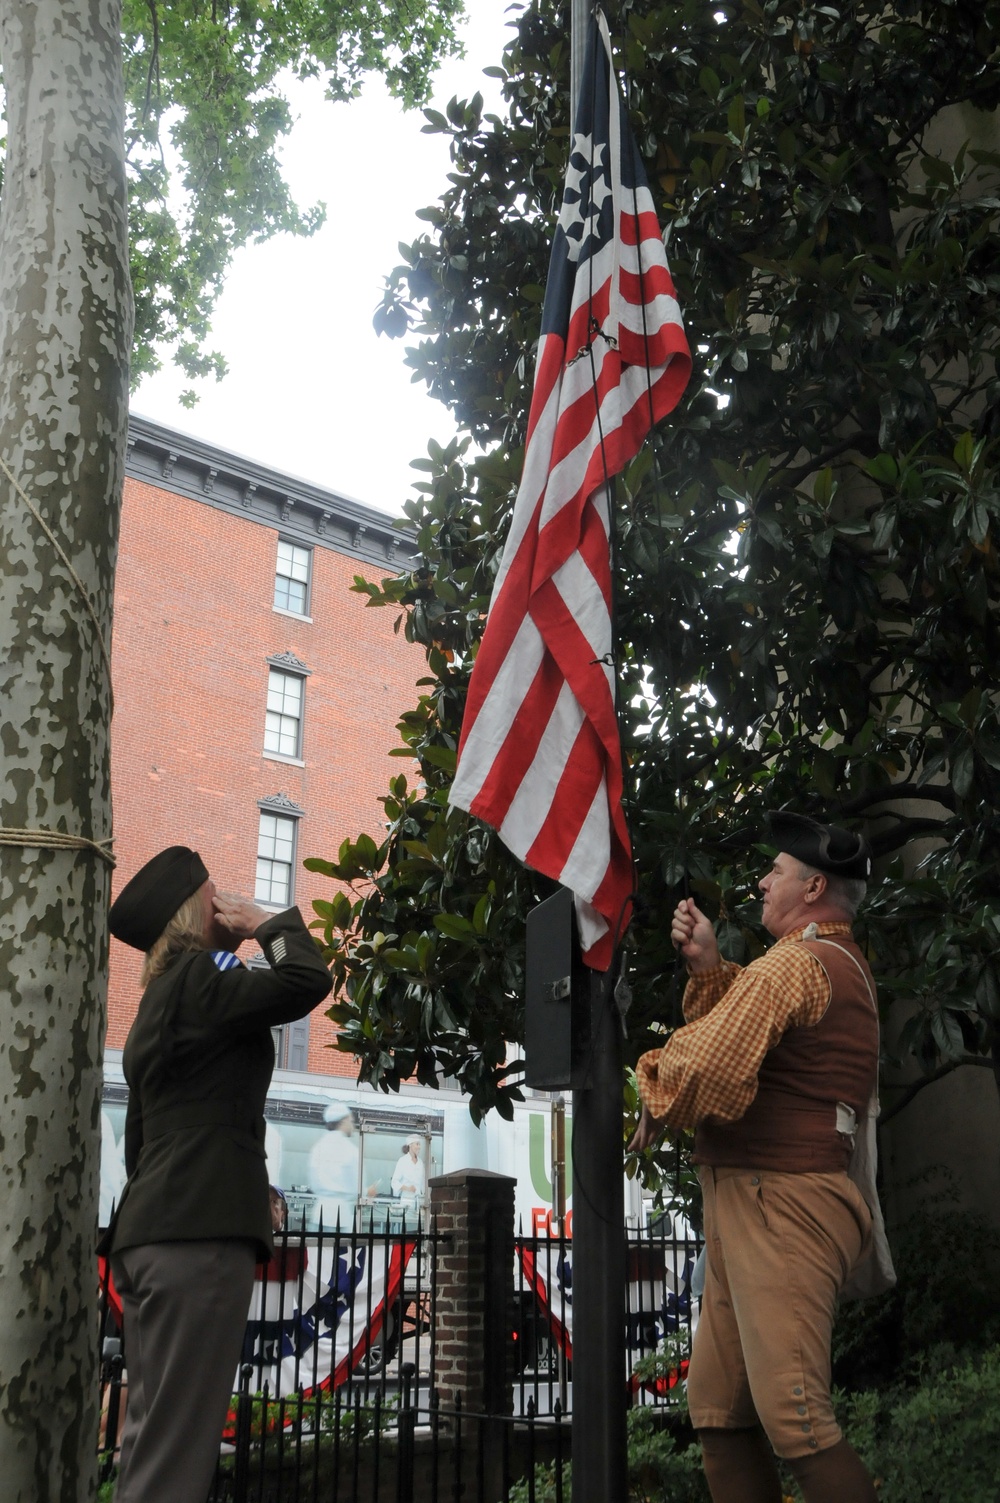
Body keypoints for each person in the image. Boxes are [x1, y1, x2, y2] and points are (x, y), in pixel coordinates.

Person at [629, 811, 890, 1503]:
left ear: (813, 886)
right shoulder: (816, 964)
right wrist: (710, 970)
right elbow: (740, 1041)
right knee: (719, 1412)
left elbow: (711, 1063)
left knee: (797, 1419)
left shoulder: (799, 964)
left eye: (774, 870)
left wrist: (654, 1083)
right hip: (756, 1201)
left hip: (783, 1201)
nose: (761, 880)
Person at [103, 845, 332, 1503]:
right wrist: (269, 923)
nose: (226, 896)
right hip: (197, 1236)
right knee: (177, 1456)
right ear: (196, 910)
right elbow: (304, 981)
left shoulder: (155, 1003)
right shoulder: (201, 978)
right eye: (215, 891)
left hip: (149, 1233)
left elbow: (138, 1142)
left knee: (149, 1443)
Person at [308, 1100, 360, 1230]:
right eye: (351, 1121)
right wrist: (367, 1192)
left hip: (319, 1213)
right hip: (341, 1216)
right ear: (343, 1121)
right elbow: (356, 1188)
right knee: (341, 1250)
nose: (353, 1126)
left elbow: (313, 1182)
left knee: (316, 1250)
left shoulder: (318, 1146)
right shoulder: (350, 1149)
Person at [390, 1135, 426, 1208]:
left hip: (419, 1202)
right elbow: (394, 1182)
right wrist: (408, 1188)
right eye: (417, 1144)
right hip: (406, 1201)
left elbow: (423, 1183)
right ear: (410, 1145)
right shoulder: (402, 1161)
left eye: (420, 1144)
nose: (419, 1147)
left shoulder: (420, 1162)